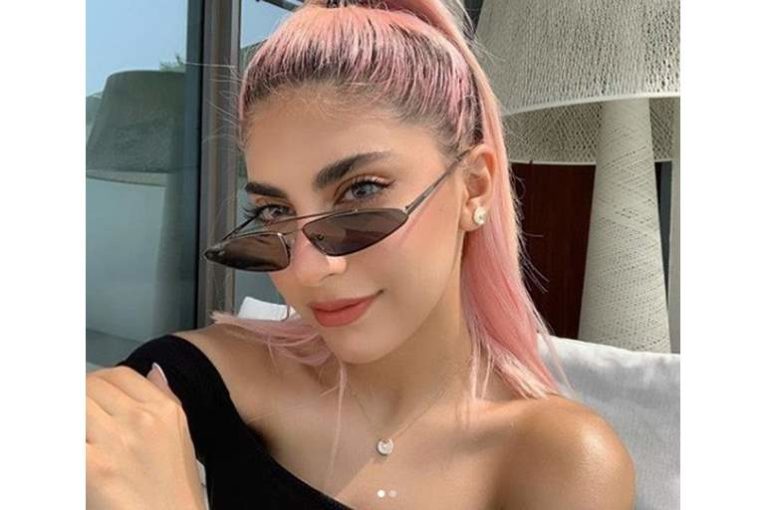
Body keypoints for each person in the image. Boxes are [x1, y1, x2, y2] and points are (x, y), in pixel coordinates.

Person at [86, 1, 636, 508]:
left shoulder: (562, 462)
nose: (307, 269)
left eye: (361, 192)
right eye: (275, 211)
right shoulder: (207, 378)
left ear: (474, 188)